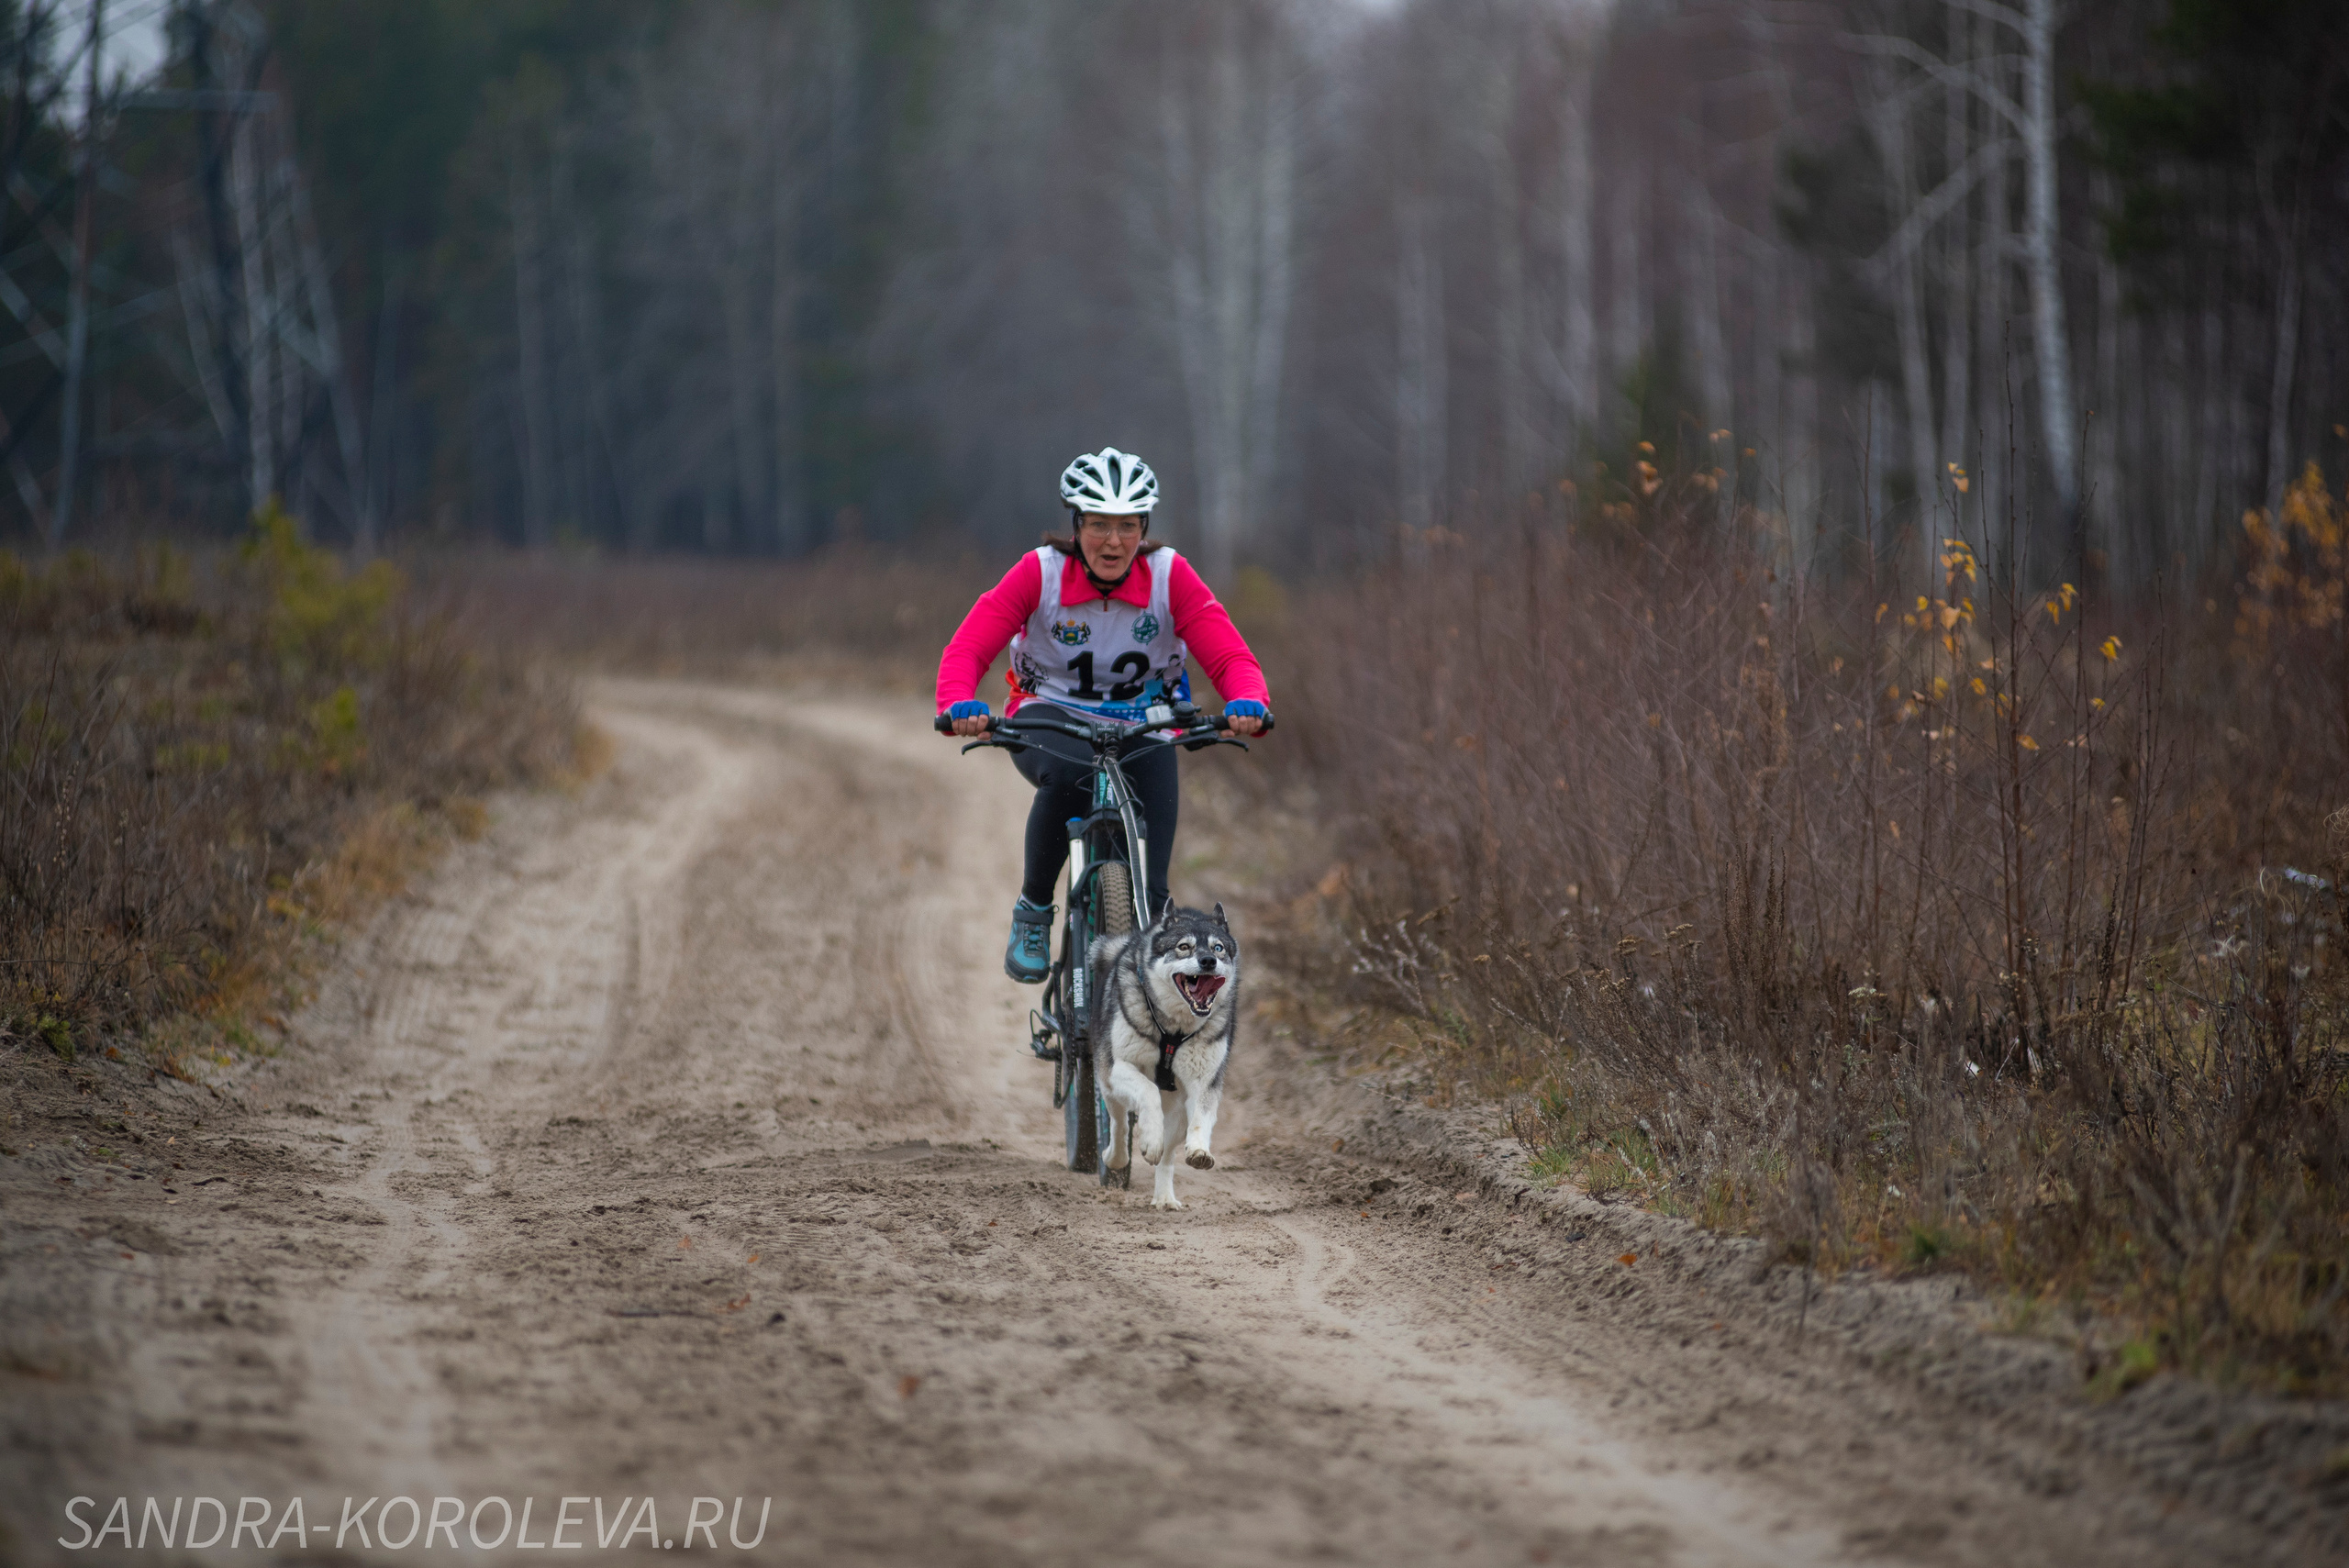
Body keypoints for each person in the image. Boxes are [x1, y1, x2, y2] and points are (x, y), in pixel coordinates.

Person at [936, 447, 1271, 984]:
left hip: (1145, 720)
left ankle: (1143, 1016)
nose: (1113, 541)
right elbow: (968, 649)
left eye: (1127, 526)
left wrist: (1246, 701)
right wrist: (958, 703)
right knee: (1069, 775)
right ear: (1076, 525)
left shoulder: (1169, 576)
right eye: (1098, 525)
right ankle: (1033, 910)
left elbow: (1230, 656)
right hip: (1048, 713)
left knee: (1154, 892)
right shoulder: (1038, 574)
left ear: (1144, 528)